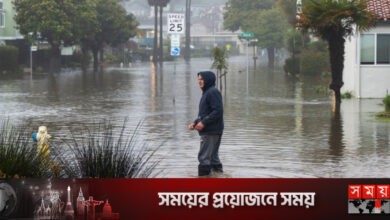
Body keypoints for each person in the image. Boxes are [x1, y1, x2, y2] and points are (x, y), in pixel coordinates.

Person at [189, 71, 224, 176]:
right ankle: (218, 178)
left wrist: (203, 123)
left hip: (210, 131)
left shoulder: (212, 92)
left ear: (208, 80)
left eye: (202, 79)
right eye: (198, 80)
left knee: (204, 157)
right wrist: (195, 123)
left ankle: (203, 182)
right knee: (213, 158)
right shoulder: (207, 92)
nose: (199, 82)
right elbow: (205, 113)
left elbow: (218, 111)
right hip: (212, 129)